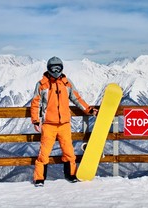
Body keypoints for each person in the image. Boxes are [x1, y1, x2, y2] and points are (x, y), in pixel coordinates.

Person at [30, 56, 98, 187]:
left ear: (62, 68)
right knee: (44, 153)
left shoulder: (66, 83)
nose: (56, 71)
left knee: (69, 152)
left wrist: (89, 110)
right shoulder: (42, 84)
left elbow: (77, 99)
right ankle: (39, 178)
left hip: (64, 124)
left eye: (58, 68)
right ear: (48, 69)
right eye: (53, 68)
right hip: (48, 124)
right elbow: (35, 103)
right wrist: (35, 120)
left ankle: (71, 175)